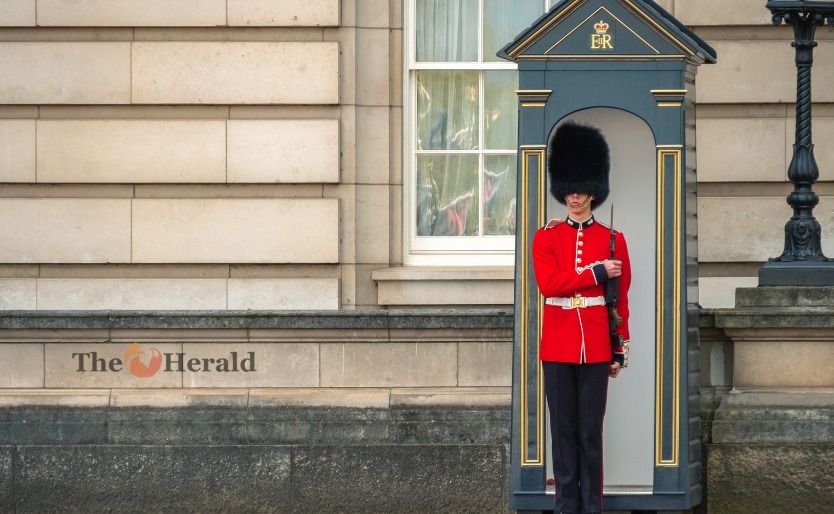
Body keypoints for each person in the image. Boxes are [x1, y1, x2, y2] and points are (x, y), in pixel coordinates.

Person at [532, 121, 631, 514]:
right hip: (557, 345)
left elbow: (620, 301)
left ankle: (593, 508)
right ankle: (565, 507)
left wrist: (619, 347)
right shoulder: (546, 237)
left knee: (591, 434)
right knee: (564, 432)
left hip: (595, 346)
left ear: (594, 189)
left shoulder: (614, 239)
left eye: (581, 188)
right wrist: (594, 273)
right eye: (569, 189)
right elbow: (550, 285)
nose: (575, 196)